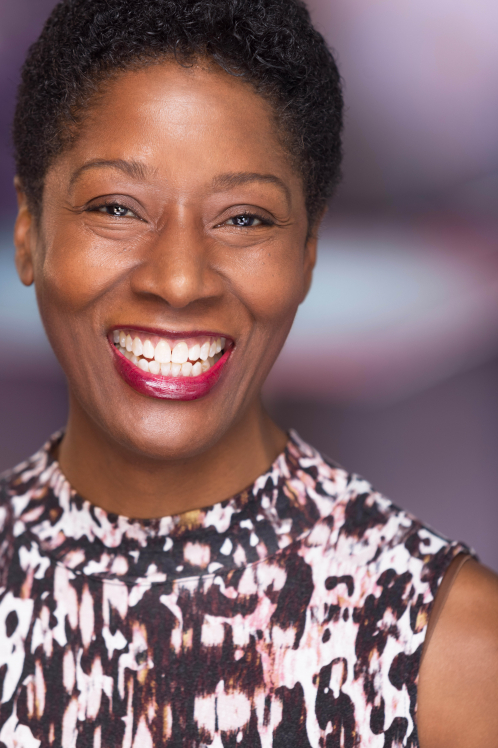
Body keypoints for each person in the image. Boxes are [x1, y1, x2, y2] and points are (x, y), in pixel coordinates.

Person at [1, 0, 497, 745]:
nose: (178, 279)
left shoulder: (450, 650)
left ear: (308, 253)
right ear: (30, 230)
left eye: (244, 218)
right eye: (116, 206)